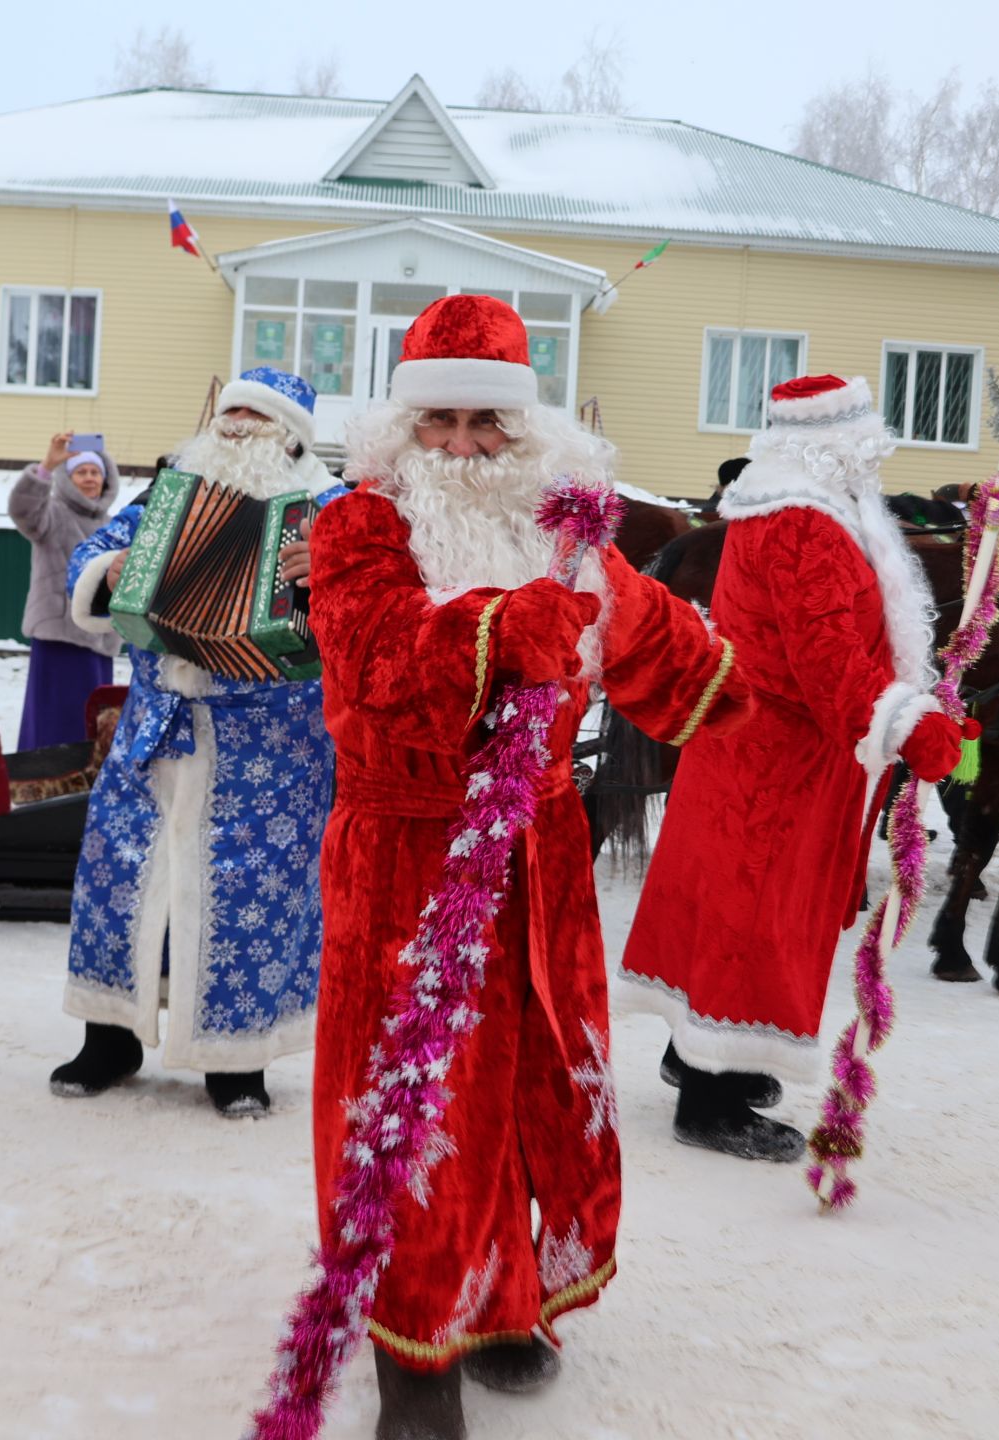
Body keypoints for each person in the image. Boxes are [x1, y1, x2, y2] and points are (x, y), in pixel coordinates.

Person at [307, 295, 752, 1439]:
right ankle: (415, 1353)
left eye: (488, 423)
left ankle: (507, 1296)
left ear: (528, 432)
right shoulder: (357, 528)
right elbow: (373, 661)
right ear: (402, 429)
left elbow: (654, 639)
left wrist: (765, 695)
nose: (463, 447)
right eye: (440, 421)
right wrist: (501, 633)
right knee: (418, 1100)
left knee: (530, 1084)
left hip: (538, 860)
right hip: (407, 853)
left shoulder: (569, 540)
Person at [622, 374, 966, 1163]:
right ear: (833, 441)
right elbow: (826, 659)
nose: (874, 452)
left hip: (764, 753)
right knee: (754, 919)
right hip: (777, 768)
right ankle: (711, 1101)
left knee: (726, 911)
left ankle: (701, 1055)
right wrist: (908, 725)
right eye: (864, 438)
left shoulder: (799, 505)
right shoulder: (803, 521)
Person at [52, 367, 341, 1118]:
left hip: (272, 747)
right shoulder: (167, 492)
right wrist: (110, 569)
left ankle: (235, 1060)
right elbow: (89, 561)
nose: (237, 424)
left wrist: (327, 577)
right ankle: (110, 1035)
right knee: (123, 879)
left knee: (249, 895)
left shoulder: (331, 508)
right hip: (157, 724)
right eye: (233, 410)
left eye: (257, 415)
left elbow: (373, 602)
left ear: (292, 433)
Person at [9, 432, 121, 748]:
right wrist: (46, 466)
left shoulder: (115, 525)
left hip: (100, 641)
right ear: (68, 478)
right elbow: (23, 512)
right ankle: (40, 779)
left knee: (92, 723)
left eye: (95, 472)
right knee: (53, 720)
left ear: (106, 477)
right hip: (60, 640)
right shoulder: (54, 513)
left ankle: (85, 785)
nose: (89, 479)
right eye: (81, 472)